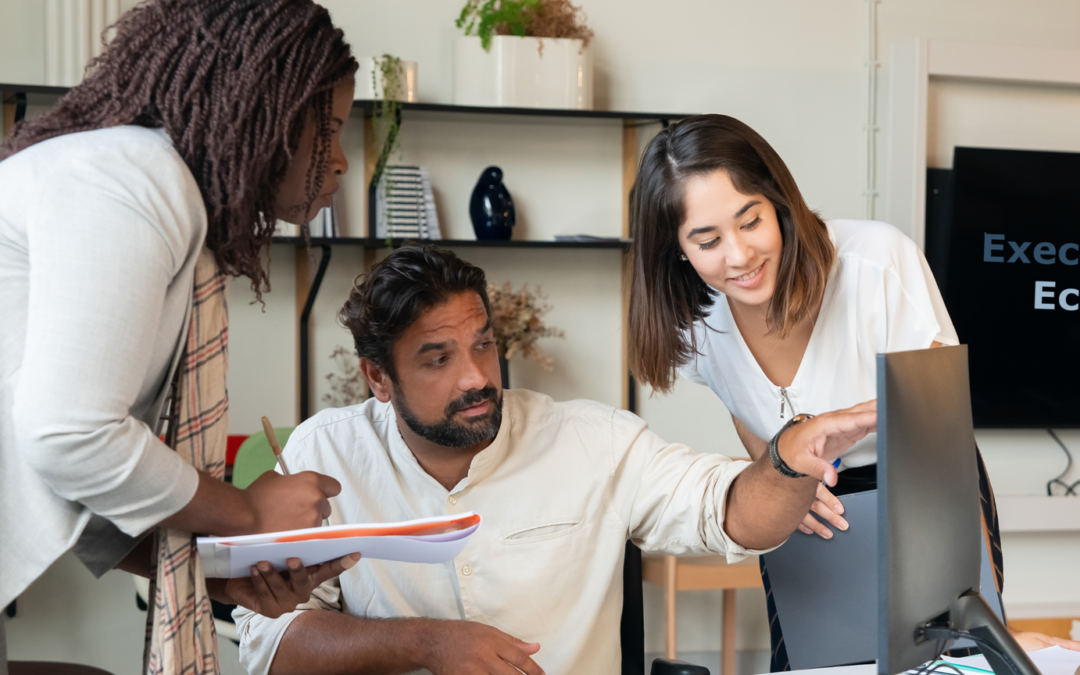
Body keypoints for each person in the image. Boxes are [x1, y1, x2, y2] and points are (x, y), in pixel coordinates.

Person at [233, 244, 878, 675]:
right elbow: (269, 642)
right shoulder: (324, 451)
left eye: (483, 345)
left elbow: (734, 511)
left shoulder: (592, 441)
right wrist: (428, 643)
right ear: (378, 377)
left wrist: (789, 457)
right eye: (438, 359)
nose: (474, 377)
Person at [626, 113, 1080, 668]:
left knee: (946, 662)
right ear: (676, 247)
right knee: (807, 664)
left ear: (778, 202)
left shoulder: (876, 261)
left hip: (922, 488)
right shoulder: (695, 320)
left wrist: (989, 622)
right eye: (707, 240)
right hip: (807, 506)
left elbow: (942, 437)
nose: (739, 255)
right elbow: (745, 407)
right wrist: (781, 476)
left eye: (750, 221)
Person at [0, 1, 361, 671]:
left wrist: (214, 574)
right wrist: (247, 513)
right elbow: (70, 436)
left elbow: (75, 472)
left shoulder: (136, 181)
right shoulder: (136, 179)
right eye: (330, 129)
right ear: (268, 112)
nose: (339, 160)